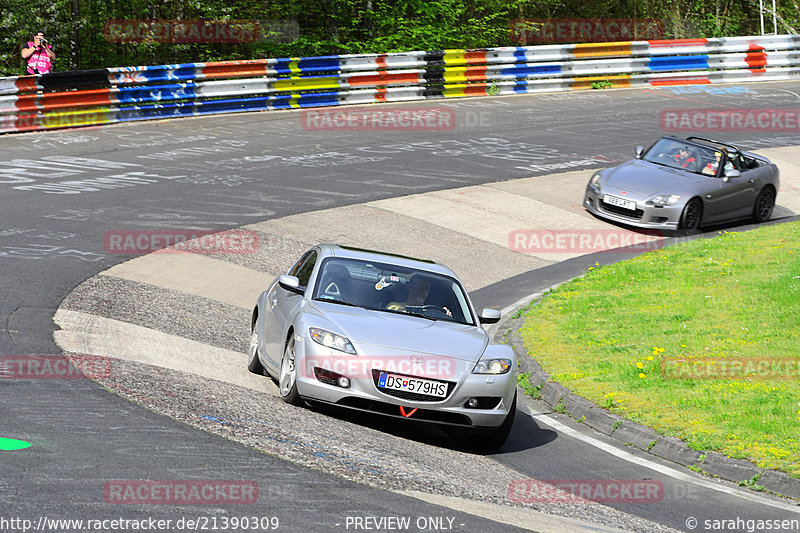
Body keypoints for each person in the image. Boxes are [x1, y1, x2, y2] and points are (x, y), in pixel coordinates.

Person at [386, 274, 451, 317]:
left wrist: (444, 316)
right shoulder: (394, 305)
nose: (424, 291)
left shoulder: (431, 310)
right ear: (410, 287)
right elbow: (398, 313)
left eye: (427, 288)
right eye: (421, 286)